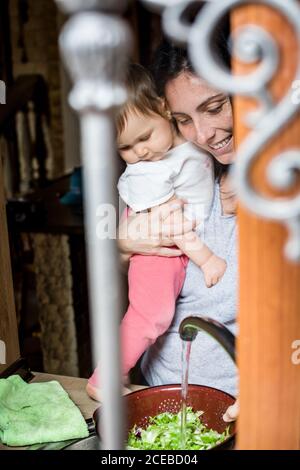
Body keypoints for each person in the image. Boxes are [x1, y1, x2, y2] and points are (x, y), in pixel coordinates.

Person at [86, 63, 227, 401]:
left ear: (163, 109)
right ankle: (103, 379)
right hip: (164, 249)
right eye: (125, 148)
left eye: (144, 138)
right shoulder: (146, 172)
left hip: (179, 243)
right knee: (151, 315)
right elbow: (170, 223)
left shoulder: (186, 146)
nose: (139, 153)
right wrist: (207, 260)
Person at [118, 40, 239, 422]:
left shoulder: (283, 188)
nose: (202, 134)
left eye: (215, 107)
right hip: (160, 392)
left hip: (244, 403)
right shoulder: (178, 178)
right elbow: (146, 281)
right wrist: (122, 247)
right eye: (183, 120)